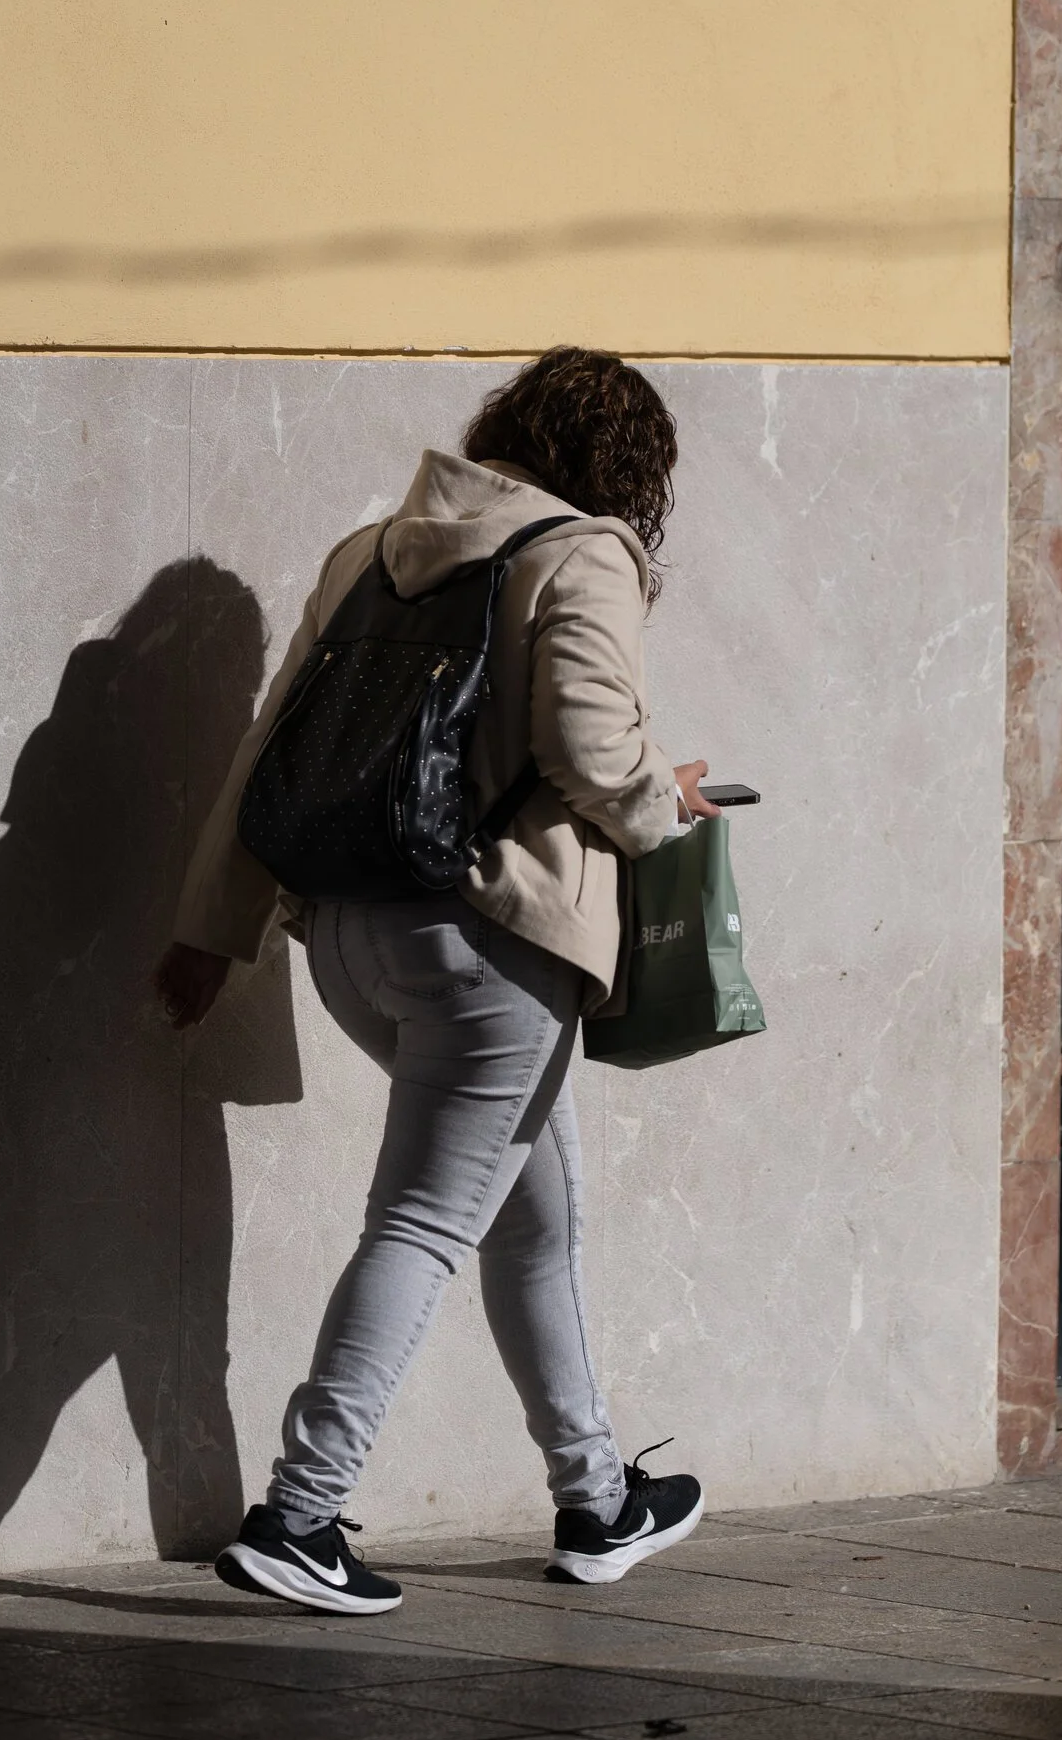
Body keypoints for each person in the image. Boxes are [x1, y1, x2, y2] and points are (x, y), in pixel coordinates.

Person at [154, 346, 716, 1614]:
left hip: (349, 936)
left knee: (533, 1216)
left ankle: (595, 1500)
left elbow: (268, 748)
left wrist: (213, 928)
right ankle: (298, 1517)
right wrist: (664, 803)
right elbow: (593, 752)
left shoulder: (370, 553)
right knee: (421, 1222)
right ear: (624, 468)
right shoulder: (579, 553)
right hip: (490, 945)